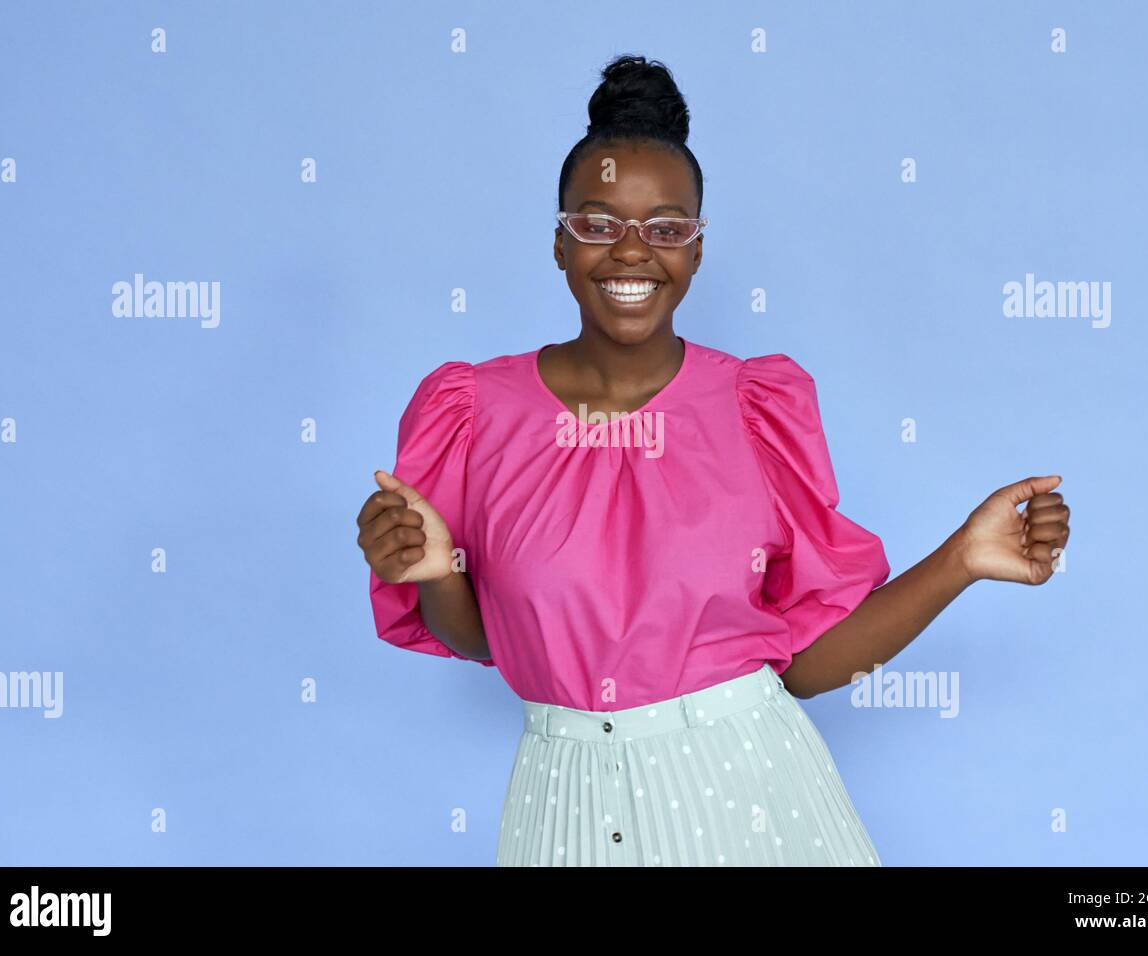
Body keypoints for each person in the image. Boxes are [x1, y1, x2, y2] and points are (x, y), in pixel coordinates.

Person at [356, 55, 1071, 866]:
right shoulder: (475, 412)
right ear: (559, 243)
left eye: (666, 228)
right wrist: (433, 570)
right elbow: (491, 640)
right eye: (597, 223)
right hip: (559, 808)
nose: (632, 253)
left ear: (696, 251)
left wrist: (961, 561)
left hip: (751, 798)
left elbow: (799, 668)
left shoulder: (755, 409)